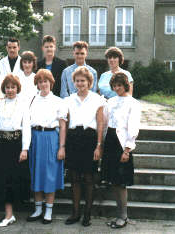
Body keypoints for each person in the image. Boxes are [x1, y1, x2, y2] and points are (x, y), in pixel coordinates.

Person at [0, 74, 31, 227]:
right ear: (4, 88)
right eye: (7, 87)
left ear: (17, 88)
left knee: (14, 179)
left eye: (13, 87)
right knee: (2, 179)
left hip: (16, 145)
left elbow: (26, 128)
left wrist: (25, 149)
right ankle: (8, 214)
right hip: (0, 145)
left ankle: (11, 213)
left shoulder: (23, 104)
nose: (10, 90)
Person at [64, 66, 105, 227]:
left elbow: (101, 123)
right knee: (74, 177)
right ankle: (75, 213)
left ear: (89, 82)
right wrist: (64, 145)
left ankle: (87, 214)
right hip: (74, 139)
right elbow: (66, 124)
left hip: (90, 139)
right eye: (77, 81)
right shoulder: (68, 100)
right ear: (74, 82)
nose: (80, 83)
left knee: (89, 178)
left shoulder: (97, 99)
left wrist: (99, 146)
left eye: (83, 81)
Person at [101, 72, 141, 229]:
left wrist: (127, 150)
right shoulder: (110, 101)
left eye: (119, 85)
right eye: (114, 85)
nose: (117, 88)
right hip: (110, 142)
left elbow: (133, 127)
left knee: (121, 182)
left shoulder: (133, 103)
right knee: (113, 181)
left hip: (122, 144)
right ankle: (119, 214)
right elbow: (105, 123)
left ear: (126, 85)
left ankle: (123, 216)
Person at [27, 69, 66, 224]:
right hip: (34, 137)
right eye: (40, 81)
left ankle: (48, 210)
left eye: (46, 81)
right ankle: (37, 209)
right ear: (37, 84)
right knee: (36, 172)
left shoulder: (58, 101)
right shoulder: (31, 100)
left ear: (51, 82)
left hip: (51, 138)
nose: (43, 84)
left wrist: (61, 147)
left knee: (50, 173)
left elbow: (63, 126)